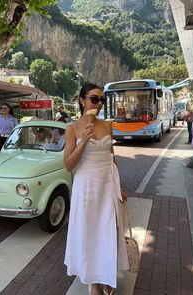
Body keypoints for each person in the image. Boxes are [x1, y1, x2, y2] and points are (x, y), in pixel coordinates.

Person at [64, 84, 129, 295]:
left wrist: (120, 188)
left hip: (108, 185)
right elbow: (68, 165)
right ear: (82, 100)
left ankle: (107, 275)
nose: (99, 104)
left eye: (102, 100)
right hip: (87, 189)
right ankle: (93, 280)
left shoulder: (108, 125)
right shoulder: (72, 128)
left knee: (109, 232)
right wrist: (84, 143)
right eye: (94, 99)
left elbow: (112, 156)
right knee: (90, 233)